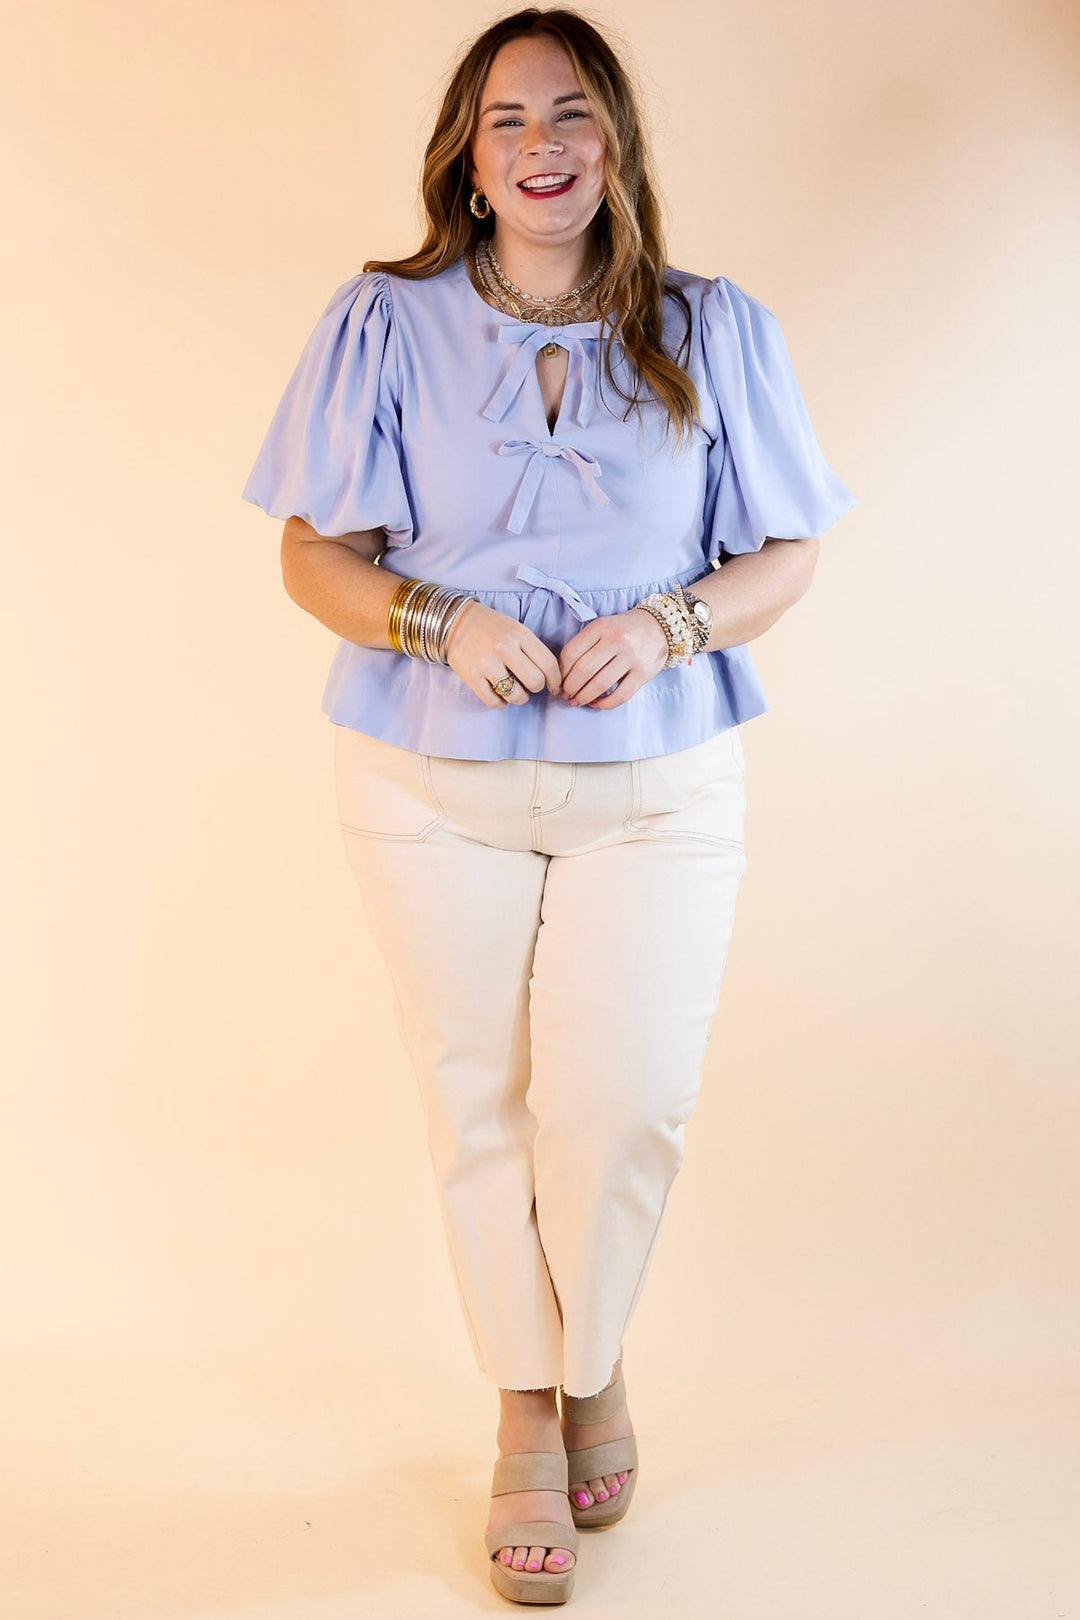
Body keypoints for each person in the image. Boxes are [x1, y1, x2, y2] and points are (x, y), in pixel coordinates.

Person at [241, 6, 856, 1604]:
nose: (541, 147)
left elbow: (787, 551)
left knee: (624, 1104)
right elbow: (310, 554)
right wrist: (437, 621)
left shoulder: (713, 326)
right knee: (476, 1100)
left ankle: (591, 1349)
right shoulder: (387, 321)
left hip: (657, 784)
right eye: (507, 120)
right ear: (465, 150)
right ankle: (537, 1402)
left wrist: (666, 627)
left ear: (616, 142)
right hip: (426, 785)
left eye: (571, 115)